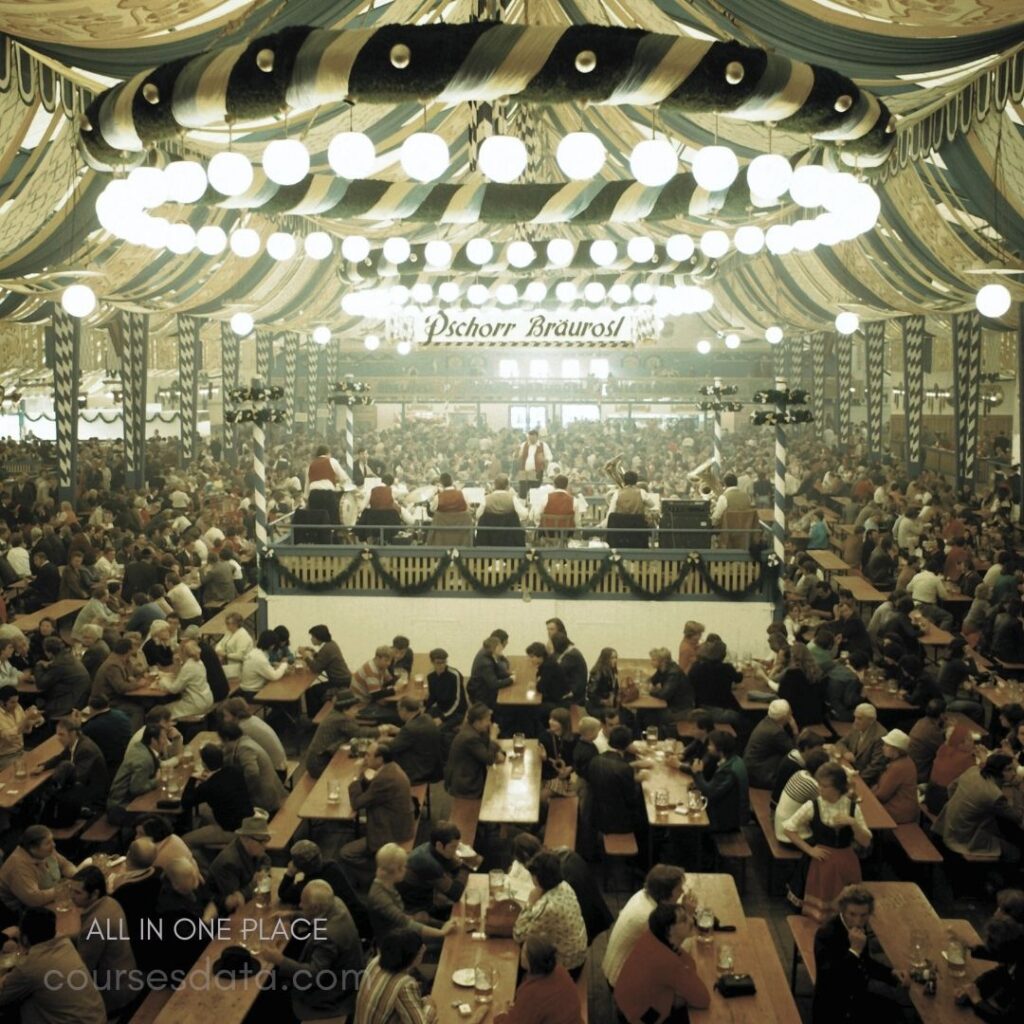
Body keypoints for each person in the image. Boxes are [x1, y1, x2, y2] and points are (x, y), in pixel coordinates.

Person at [260, 879, 366, 1021]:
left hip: (334, 995)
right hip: (348, 977)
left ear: (315, 908)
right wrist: (291, 915)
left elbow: (313, 975)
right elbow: (318, 915)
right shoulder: (335, 903)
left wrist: (279, 960)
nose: (300, 905)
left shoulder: (328, 935)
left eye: (303, 903)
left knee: (270, 996)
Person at [784, 762, 872, 921]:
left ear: (838, 787)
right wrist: (809, 850)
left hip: (846, 862)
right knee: (819, 910)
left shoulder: (852, 807)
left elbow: (865, 841)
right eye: (819, 785)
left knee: (848, 907)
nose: (820, 789)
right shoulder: (813, 805)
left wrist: (853, 823)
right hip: (820, 864)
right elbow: (789, 829)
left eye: (824, 786)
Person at [812, 885, 910, 1024]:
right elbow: (831, 978)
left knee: (897, 1013)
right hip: (833, 1007)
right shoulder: (826, 934)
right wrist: (854, 950)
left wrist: (891, 973)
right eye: (852, 914)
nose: (858, 921)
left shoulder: (858, 929)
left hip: (856, 996)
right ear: (843, 911)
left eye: (863, 915)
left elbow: (864, 962)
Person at [0, 907, 107, 1023]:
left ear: (25, 939)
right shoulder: (64, 942)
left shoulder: (30, 966)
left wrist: (4, 978)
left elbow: (2, 998)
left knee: (18, 1008)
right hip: (97, 1016)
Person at [355, 926, 475, 1024]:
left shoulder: (375, 961)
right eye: (420, 952)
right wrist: (430, 1006)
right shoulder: (404, 985)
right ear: (412, 958)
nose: (424, 948)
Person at [614, 903, 710, 1024]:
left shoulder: (652, 936)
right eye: (684, 920)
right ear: (668, 930)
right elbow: (703, 999)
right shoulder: (668, 962)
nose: (691, 921)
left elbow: (689, 963)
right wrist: (681, 995)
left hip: (625, 1000)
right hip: (638, 1015)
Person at [510, 834, 613, 944]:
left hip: (586, 925)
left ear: (526, 858)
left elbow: (519, 934)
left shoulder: (554, 879)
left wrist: (530, 902)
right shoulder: (559, 855)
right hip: (591, 917)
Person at [341, 742, 415, 885]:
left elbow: (357, 804)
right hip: (399, 823)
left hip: (392, 832)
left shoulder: (385, 778)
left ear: (380, 759)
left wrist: (357, 777)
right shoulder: (391, 769)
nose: (365, 758)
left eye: (368, 755)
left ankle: (379, 874)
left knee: (346, 853)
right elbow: (372, 789)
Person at [602, 864, 687, 986]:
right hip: (622, 981)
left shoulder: (644, 894)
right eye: (679, 889)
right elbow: (671, 949)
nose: (682, 892)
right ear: (667, 894)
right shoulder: (649, 917)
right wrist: (687, 913)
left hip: (615, 967)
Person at [69, 865, 137, 1013]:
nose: (71, 896)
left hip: (112, 994)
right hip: (128, 979)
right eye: (71, 890)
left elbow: (83, 969)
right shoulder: (111, 903)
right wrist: (63, 939)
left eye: (77, 892)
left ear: (94, 894)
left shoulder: (95, 924)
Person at [934, 753, 1023, 861]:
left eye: (1014, 769)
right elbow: (1018, 816)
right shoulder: (994, 795)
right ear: (996, 771)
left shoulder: (973, 771)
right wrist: (1018, 788)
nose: (1014, 773)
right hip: (965, 837)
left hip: (947, 824)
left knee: (999, 825)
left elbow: (951, 787)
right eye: (1008, 769)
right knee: (1015, 852)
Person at [512, 850, 588, 975]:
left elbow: (518, 935)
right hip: (577, 953)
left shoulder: (548, 907)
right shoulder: (564, 886)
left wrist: (529, 903)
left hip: (568, 966)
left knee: (522, 953)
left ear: (539, 878)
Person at [365, 844, 454, 947]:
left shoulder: (386, 882)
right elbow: (407, 924)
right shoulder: (380, 899)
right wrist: (441, 932)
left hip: (401, 934)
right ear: (395, 870)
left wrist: (415, 918)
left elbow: (401, 918)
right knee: (449, 942)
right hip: (395, 945)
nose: (406, 869)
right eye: (403, 866)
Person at [494, 934, 583, 1024]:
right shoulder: (560, 971)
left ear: (530, 961)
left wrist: (498, 1016)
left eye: (524, 951)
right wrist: (519, 1009)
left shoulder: (531, 993)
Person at [180, 742, 254, 848]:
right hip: (248, 822)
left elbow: (185, 802)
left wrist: (192, 778)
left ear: (204, 764)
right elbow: (222, 783)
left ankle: (206, 863)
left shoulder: (208, 787)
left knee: (184, 841)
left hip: (232, 830)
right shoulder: (234, 771)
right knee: (203, 813)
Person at [37, 716, 109, 819]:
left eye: (61, 735)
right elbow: (60, 757)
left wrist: (59, 775)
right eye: (57, 734)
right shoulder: (75, 742)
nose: (58, 738)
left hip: (92, 793)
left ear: (73, 733)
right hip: (83, 784)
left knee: (53, 795)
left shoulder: (85, 749)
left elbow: (78, 776)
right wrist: (44, 766)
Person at [0, 826, 75, 924]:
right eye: (48, 843)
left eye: (52, 840)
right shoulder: (18, 866)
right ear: (32, 849)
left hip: (50, 897)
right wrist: (62, 889)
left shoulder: (46, 851)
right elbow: (34, 899)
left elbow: (65, 864)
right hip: (19, 914)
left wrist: (77, 876)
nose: (54, 845)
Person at [398, 821, 474, 917]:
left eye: (457, 846)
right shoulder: (426, 862)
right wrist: (467, 865)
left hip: (427, 898)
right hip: (414, 909)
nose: (456, 851)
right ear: (439, 845)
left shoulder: (433, 848)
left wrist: (466, 862)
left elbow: (455, 869)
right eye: (453, 847)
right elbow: (456, 894)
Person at [685, 729, 749, 833]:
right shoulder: (735, 760)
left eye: (711, 745)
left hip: (727, 820)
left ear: (720, 749)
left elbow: (709, 793)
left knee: (688, 820)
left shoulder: (727, 771)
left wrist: (697, 773)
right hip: (729, 811)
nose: (708, 748)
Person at [304, 690, 379, 779]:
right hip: (319, 765)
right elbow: (358, 732)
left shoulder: (335, 714)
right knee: (352, 772)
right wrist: (380, 730)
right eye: (354, 707)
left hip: (315, 760)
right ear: (345, 709)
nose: (357, 710)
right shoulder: (342, 719)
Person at [586, 725, 645, 837]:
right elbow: (631, 800)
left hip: (596, 816)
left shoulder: (595, 759)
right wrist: (639, 781)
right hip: (618, 823)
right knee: (645, 812)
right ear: (627, 745)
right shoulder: (624, 768)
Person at [219, 720, 287, 814]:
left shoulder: (244, 748)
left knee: (227, 799)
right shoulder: (245, 741)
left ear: (226, 739)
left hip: (265, 797)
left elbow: (252, 773)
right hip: (269, 789)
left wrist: (243, 792)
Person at [208, 815, 272, 912]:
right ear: (245, 839)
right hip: (222, 916)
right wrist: (256, 882)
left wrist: (263, 871)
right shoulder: (228, 863)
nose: (265, 845)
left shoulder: (252, 849)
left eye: (266, 840)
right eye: (261, 841)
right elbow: (237, 900)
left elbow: (266, 859)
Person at [105, 723, 167, 825]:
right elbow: (136, 788)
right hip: (121, 808)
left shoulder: (141, 747)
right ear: (153, 741)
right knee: (159, 820)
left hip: (123, 802)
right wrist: (157, 781)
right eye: (163, 738)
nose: (166, 742)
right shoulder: (144, 759)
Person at [445, 702, 505, 798]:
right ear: (477, 722)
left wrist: (497, 752)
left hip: (471, 774)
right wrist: (493, 737)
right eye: (487, 720)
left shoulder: (475, 729)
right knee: (498, 790)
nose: (490, 724)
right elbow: (489, 759)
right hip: (467, 784)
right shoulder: (470, 737)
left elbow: (486, 745)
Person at [378, 696, 442, 785]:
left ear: (404, 710)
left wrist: (383, 739)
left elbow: (393, 747)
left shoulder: (409, 729)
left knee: (384, 757)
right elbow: (415, 736)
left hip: (418, 770)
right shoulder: (426, 718)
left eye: (398, 710)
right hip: (431, 765)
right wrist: (399, 730)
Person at [220, 696, 288, 776]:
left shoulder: (242, 728)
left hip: (275, 773)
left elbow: (231, 755)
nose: (224, 720)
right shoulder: (252, 719)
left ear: (236, 716)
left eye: (226, 716)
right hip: (281, 765)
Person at [296, 624, 352, 718]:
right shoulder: (331, 644)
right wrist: (312, 652)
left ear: (318, 637)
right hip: (344, 679)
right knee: (314, 691)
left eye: (312, 637)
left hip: (339, 683)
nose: (311, 639)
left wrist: (305, 655)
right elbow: (322, 659)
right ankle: (316, 716)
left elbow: (316, 668)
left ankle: (314, 719)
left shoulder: (327, 649)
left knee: (310, 693)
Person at [744, 699, 796, 789]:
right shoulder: (776, 732)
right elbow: (795, 751)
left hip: (751, 769)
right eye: (790, 712)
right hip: (760, 776)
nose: (792, 713)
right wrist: (795, 730)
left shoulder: (766, 721)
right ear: (784, 717)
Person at [831, 702, 888, 785]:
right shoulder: (857, 726)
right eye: (855, 717)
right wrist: (846, 752)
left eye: (860, 718)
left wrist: (856, 781)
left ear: (871, 720)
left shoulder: (880, 736)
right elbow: (840, 743)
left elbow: (875, 767)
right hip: (849, 769)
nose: (855, 721)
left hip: (864, 778)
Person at [158, 637, 213, 719]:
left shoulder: (188, 667)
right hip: (206, 699)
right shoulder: (198, 661)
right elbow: (180, 676)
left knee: (162, 711)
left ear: (183, 652)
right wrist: (177, 664)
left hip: (196, 703)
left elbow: (174, 689)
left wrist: (162, 681)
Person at [872, 728, 919, 824]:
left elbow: (882, 795)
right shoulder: (905, 760)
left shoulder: (898, 767)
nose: (883, 747)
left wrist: (869, 793)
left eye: (886, 745)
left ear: (896, 749)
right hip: (902, 808)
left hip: (898, 812)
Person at [306, 443, 349, 530]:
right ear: (328, 453)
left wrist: (307, 498)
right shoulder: (331, 461)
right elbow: (344, 477)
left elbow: (307, 485)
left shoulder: (310, 465)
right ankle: (332, 539)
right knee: (332, 520)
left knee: (317, 522)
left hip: (314, 496)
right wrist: (339, 485)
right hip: (327, 495)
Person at [0, 684, 44, 770]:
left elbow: (26, 730)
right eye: (12, 702)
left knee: (41, 762)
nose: (16, 705)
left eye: (17, 701)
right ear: (1, 702)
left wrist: (34, 719)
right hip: (5, 757)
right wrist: (27, 717)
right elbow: (10, 737)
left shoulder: (17, 707)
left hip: (20, 751)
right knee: (24, 772)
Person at [648, 646, 693, 730]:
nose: (651, 662)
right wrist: (650, 685)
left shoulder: (673, 673)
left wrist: (651, 691)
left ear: (662, 662)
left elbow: (664, 694)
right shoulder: (662, 669)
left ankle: (659, 737)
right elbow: (652, 680)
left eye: (653, 660)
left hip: (680, 709)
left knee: (651, 715)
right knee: (644, 712)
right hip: (672, 705)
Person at [423, 648, 468, 731]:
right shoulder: (430, 675)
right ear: (432, 662)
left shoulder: (455, 675)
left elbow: (458, 701)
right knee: (422, 723)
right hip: (441, 708)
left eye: (444, 662)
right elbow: (433, 697)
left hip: (456, 712)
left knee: (437, 729)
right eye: (438, 663)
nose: (442, 665)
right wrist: (425, 708)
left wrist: (442, 718)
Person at [238, 629, 289, 697]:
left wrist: (275, 667)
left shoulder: (255, 652)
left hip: (245, 690)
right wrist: (284, 665)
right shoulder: (260, 658)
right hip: (252, 694)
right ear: (272, 645)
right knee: (283, 696)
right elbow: (274, 676)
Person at [467, 634, 513, 709]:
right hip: (481, 694)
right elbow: (494, 684)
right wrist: (511, 680)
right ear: (494, 648)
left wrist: (508, 675)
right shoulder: (486, 663)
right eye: (499, 646)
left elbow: (497, 670)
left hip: (484, 687)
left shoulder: (489, 654)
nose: (502, 647)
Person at [213, 612, 253, 683]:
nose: (226, 626)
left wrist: (225, 655)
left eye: (228, 623)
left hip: (239, 668)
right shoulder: (229, 632)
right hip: (228, 665)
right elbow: (220, 644)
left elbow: (240, 656)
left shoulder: (243, 636)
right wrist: (219, 651)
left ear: (236, 624)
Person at [515, 428, 552, 499]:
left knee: (535, 491)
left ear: (537, 437)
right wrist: (516, 452)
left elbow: (549, 456)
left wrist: (544, 460)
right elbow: (518, 456)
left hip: (536, 472)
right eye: (529, 438)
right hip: (524, 472)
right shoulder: (524, 445)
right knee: (522, 492)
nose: (531, 440)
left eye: (533, 438)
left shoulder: (543, 445)